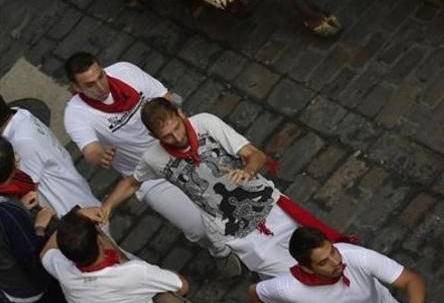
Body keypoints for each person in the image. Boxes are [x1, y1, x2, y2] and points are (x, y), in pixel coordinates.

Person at [88, 98, 352, 277]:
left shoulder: (206, 123)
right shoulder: (153, 158)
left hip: (270, 206)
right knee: (291, 276)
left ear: (181, 114)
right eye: (167, 136)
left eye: (177, 128)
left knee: (325, 253)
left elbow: (255, 154)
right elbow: (133, 181)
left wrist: (247, 170)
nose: (177, 137)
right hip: (236, 234)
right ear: (154, 137)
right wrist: (107, 206)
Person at [61, 53, 234, 274]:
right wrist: (99, 155)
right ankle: (219, 250)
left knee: (225, 194)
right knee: (197, 227)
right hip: (147, 176)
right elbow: (90, 150)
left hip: (178, 149)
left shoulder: (125, 70)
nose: (100, 86)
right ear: (75, 88)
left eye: (101, 76)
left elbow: (167, 99)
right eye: (90, 85)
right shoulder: (75, 114)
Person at [40, 209, 201, 303]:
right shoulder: (132, 273)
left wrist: (75, 218)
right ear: (99, 240)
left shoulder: (65, 271)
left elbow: (45, 253)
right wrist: (78, 214)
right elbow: (182, 286)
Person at [248, 226, 429, 303]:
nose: (336, 262)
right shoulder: (288, 288)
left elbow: (411, 280)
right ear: (306, 268)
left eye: (333, 251)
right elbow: (255, 292)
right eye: (323, 262)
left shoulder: (356, 256)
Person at [0, 139, 98, 303]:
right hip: (35, 290)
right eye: (13, 158)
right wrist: (39, 227)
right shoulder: (9, 214)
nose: (18, 157)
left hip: (10, 284)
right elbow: (34, 260)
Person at [0, 94, 100, 219]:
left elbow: (28, 187)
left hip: (69, 208)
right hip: (75, 195)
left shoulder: (20, 142)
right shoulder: (20, 115)